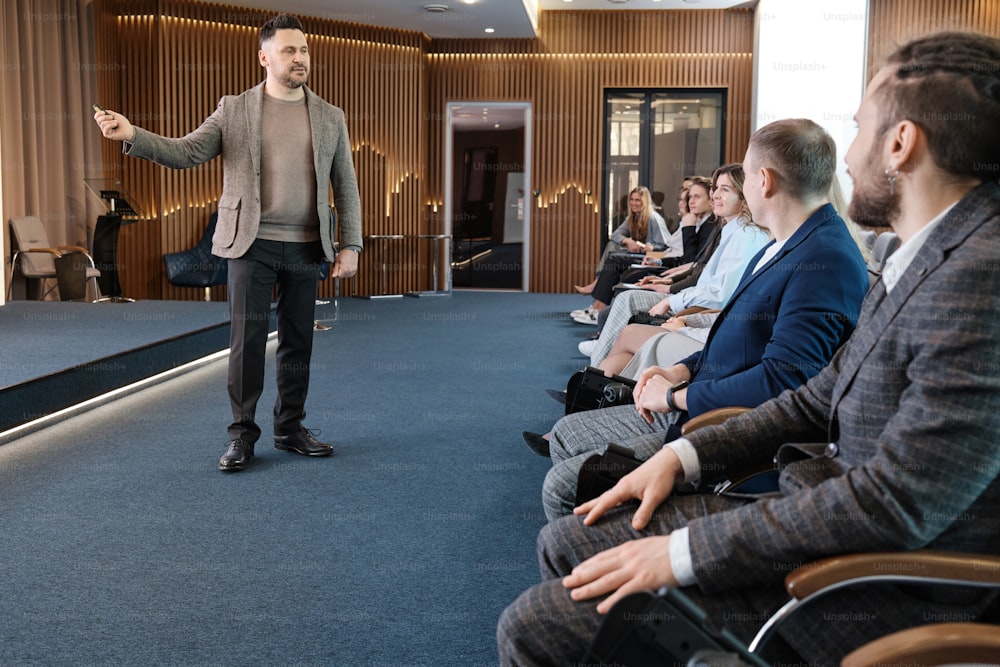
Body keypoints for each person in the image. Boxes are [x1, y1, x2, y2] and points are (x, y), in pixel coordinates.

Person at [498, 30, 1000, 665]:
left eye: (860, 128)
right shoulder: (925, 256)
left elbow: (895, 503)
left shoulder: (978, 276)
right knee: (572, 542)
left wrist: (684, 552)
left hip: (867, 587)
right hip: (822, 521)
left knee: (536, 623)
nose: (847, 158)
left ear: (901, 144)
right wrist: (682, 455)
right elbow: (814, 400)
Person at [538, 121, 869, 521]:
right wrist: (679, 369)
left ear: (763, 181)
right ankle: (602, 554)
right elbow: (737, 340)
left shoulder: (824, 259)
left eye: (743, 175)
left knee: (561, 487)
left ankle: (604, 560)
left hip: (727, 430)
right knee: (568, 434)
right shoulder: (784, 243)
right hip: (700, 398)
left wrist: (676, 397)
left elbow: (784, 381)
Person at [93, 14, 363, 472]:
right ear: (264, 57)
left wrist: (351, 244)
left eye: (304, 51)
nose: (300, 59)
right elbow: (187, 151)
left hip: (305, 248)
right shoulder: (234, 109)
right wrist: (134, 135)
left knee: (299, 343)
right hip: (250, 244)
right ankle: (242, 436)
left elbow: (347, 186)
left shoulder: (329, 116)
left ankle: (290, 427)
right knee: (248, 342)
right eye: (289, 51)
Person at [570, 186, 671, 323]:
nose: (634, 203)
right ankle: (597, 307)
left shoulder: (653, 218)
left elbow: (666, 246)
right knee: (613, 249)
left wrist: (650, 247)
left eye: (638, 200)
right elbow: (616, 235)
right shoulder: (632, 217)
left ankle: (599, 307)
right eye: (632, 199)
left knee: (614, 258)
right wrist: (627, 240)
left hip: (651, 260)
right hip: (640, 255)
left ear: (645, 202)